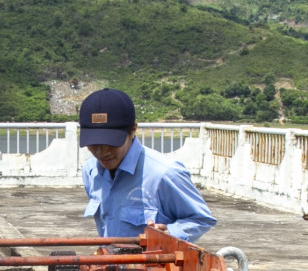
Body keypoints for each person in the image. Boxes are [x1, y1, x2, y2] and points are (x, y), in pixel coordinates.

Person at [78, 89, 216, 242]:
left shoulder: (164, 173)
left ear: (133, 130)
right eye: (94, 144)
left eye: (111, 143)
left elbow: (202, 219)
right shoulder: (91, 171)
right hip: (109, 263)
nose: (102, 152)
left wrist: (170, 232)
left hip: (153, 264)